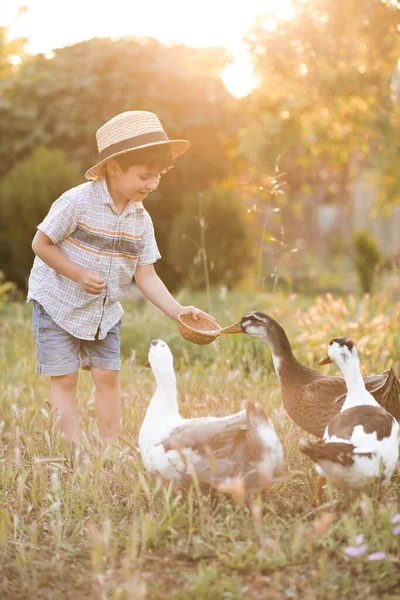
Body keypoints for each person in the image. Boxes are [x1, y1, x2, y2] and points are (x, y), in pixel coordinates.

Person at [27, 110, 214, 451]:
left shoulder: (141, 220)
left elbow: (146, 275)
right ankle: (71, 450)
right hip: (58, 302)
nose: (152, 184)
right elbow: (40, 243)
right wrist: (79, 274)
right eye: (144, 175)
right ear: (113, 167)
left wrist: (178, 311)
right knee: (65, 377)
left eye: (158, 176)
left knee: (108, 376)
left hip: (103, 313)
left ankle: (109, 448)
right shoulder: (77, 202)